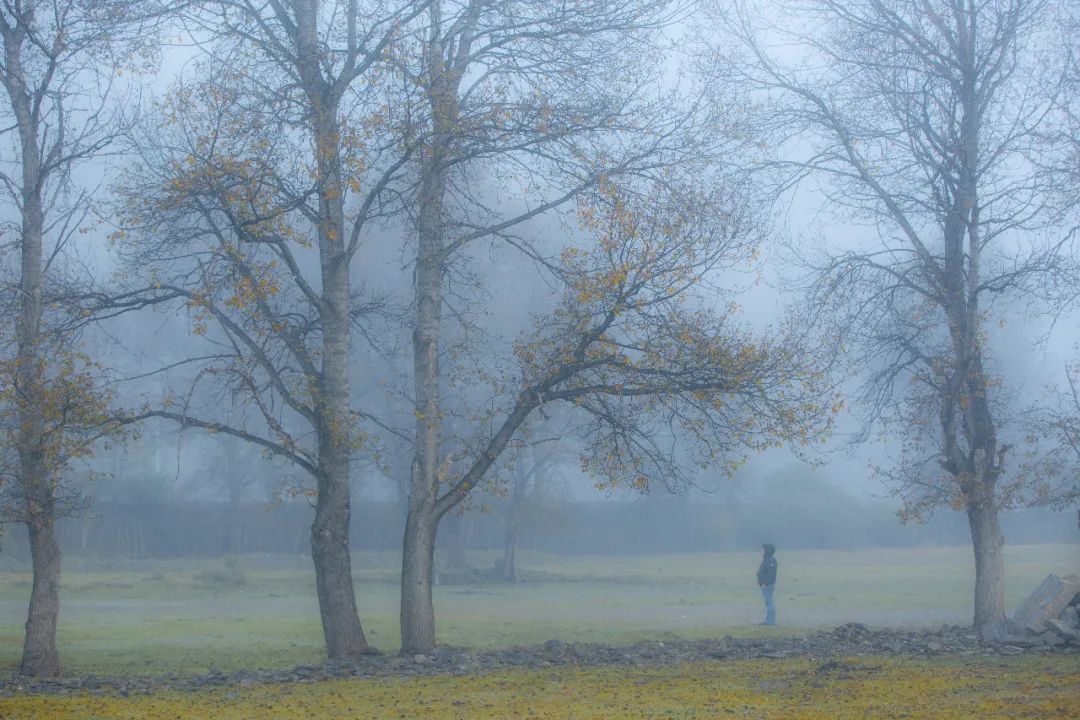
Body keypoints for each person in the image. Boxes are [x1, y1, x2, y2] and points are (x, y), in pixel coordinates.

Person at [756, 543, 777, 625]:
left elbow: (768, 575)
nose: (762, 551)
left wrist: (763, 583)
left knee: (769, 603)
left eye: (764, 549)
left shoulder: (768, 561)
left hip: (767, 585)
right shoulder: (771, 560)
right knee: (768, 603)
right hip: (767, 585)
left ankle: (770, 621)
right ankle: (768, 620)